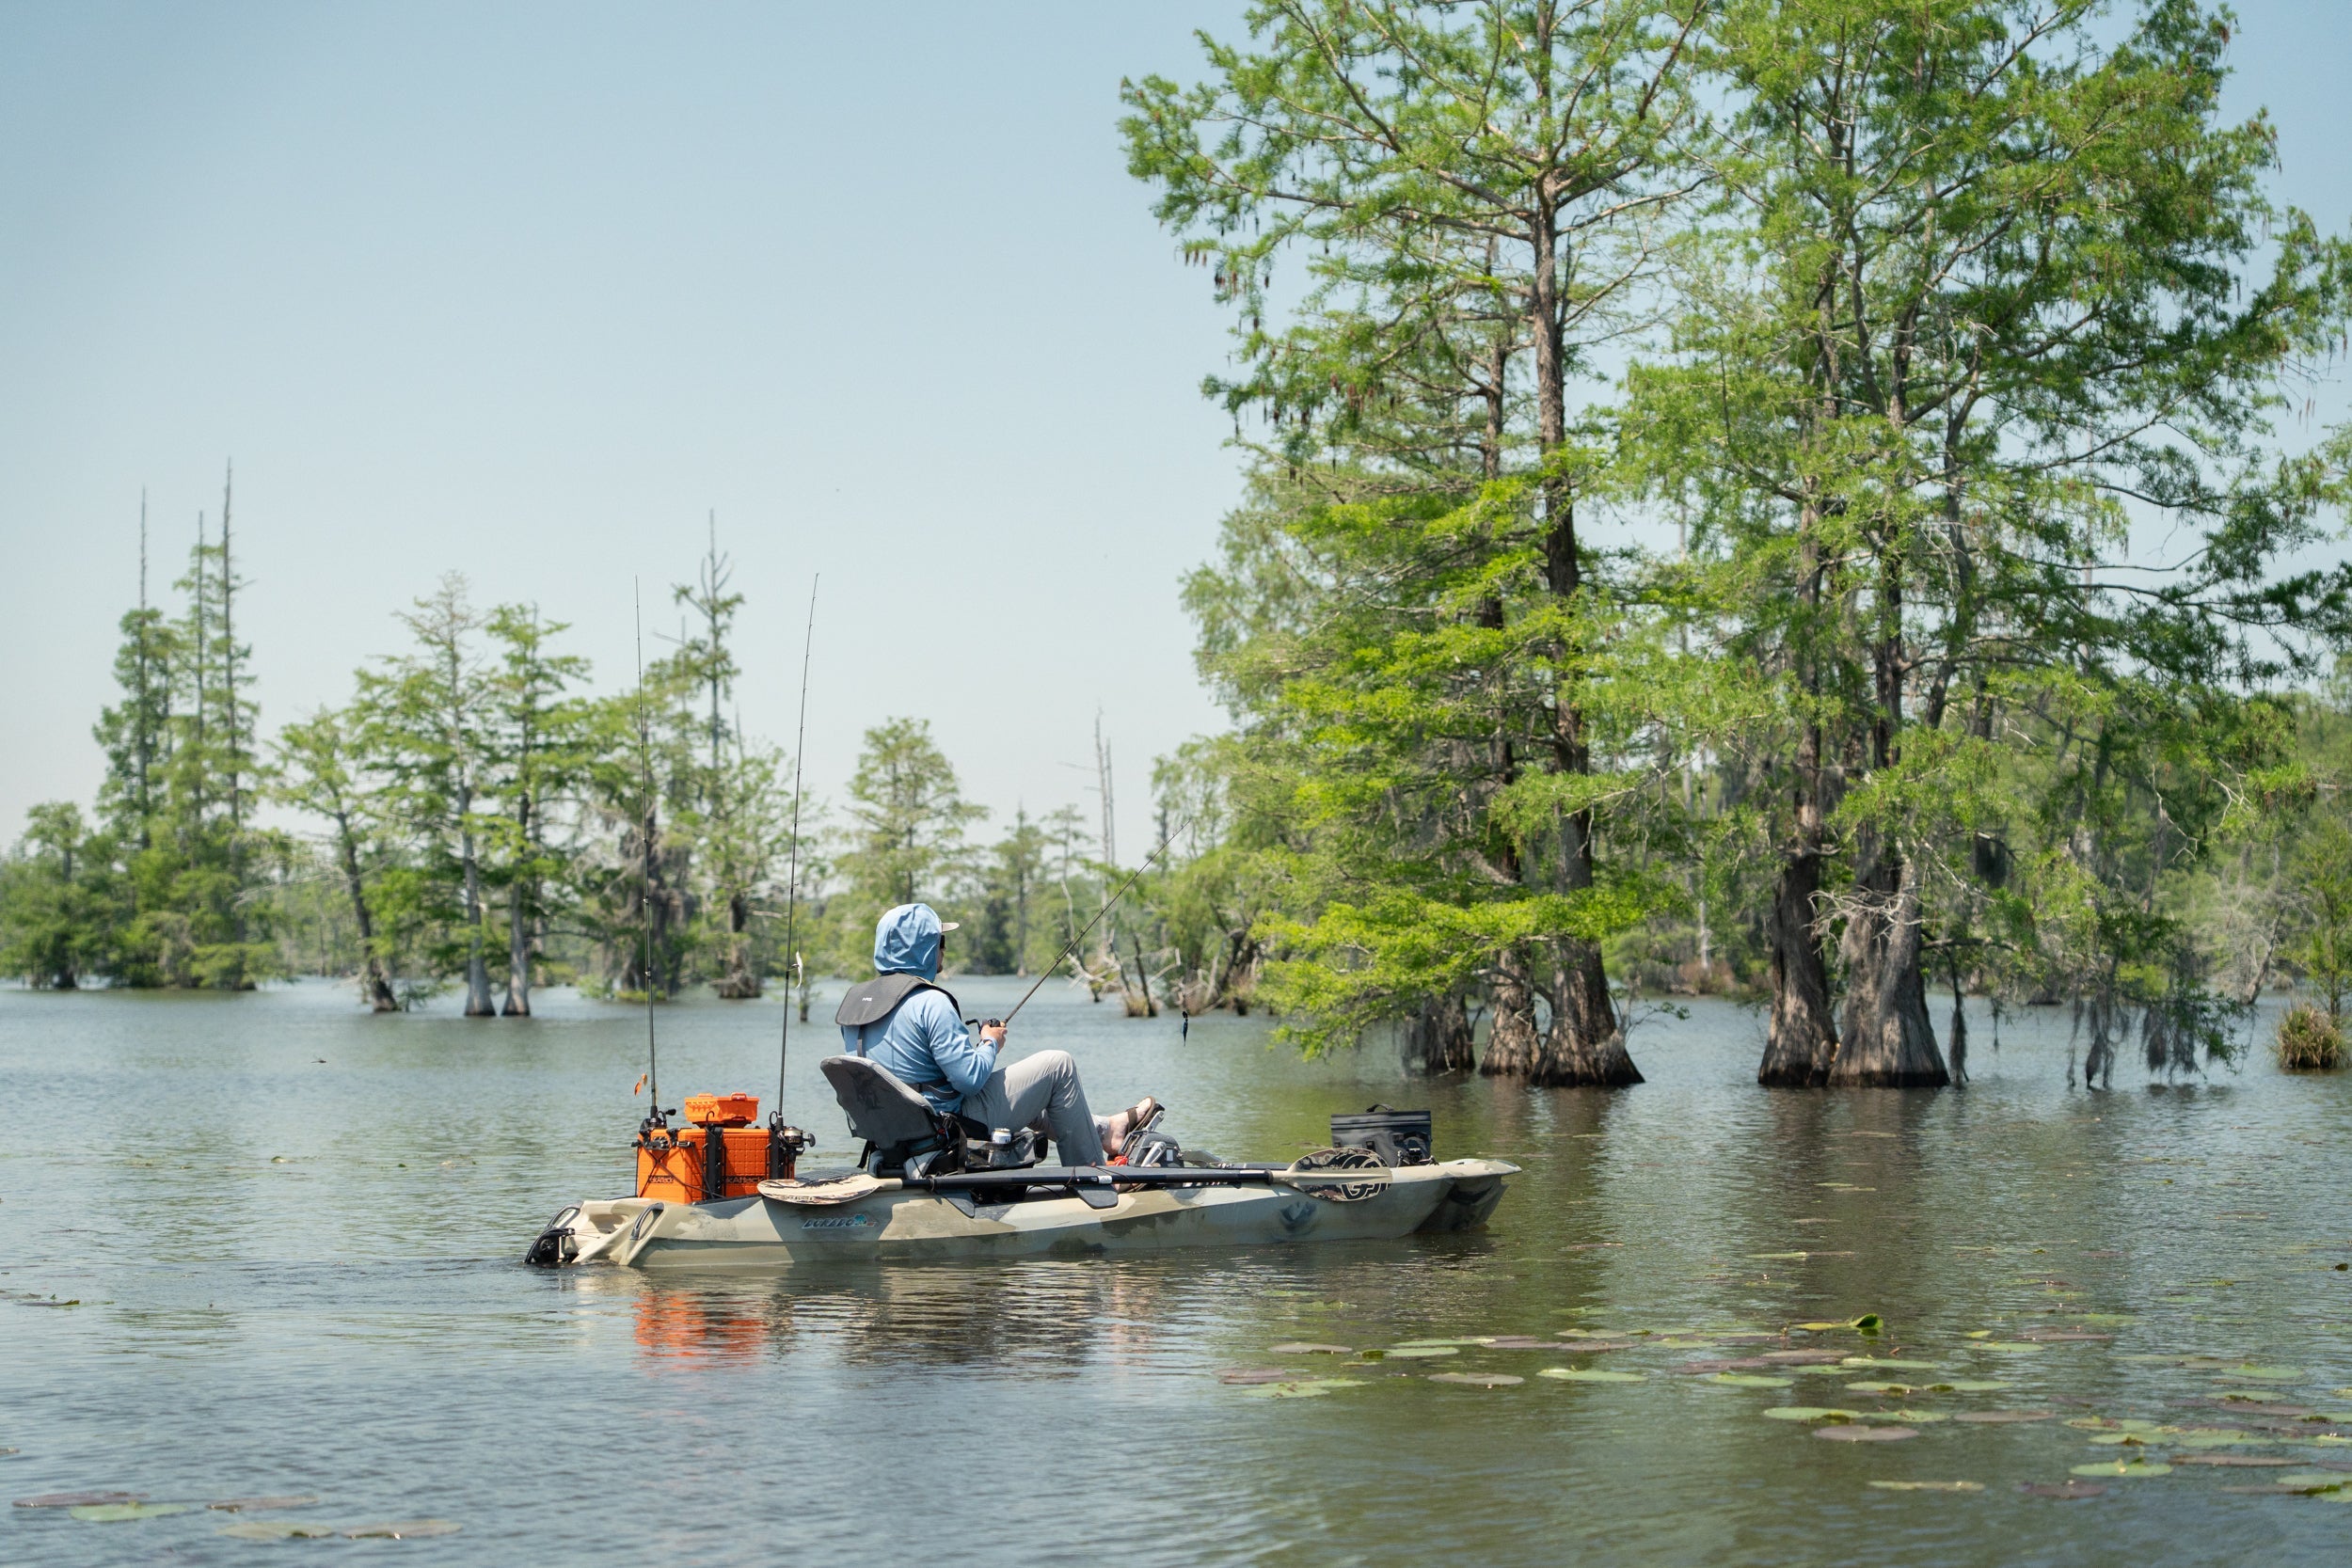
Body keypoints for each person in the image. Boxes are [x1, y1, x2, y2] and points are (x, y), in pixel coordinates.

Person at [834, 903, 1157, 1164]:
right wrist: (990, 1042)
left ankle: (1107, 1130)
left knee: (1030, 1088)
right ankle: (1093, 1178)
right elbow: (970, 1080)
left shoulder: (857, 1003)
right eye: (939, 943)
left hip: (892, 1134)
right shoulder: (931, 1001)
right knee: (1057, 1065)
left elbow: (912, 1071)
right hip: (944, 1129)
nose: (942, 951)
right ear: (924, 948)